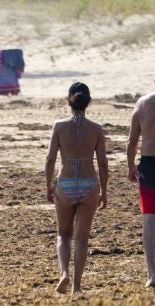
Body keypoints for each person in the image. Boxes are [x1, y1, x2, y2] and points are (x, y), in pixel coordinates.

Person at [45, 82, 109, 294]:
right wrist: (104, 191)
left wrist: (48, 186)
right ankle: (77, 286)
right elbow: (102, 163)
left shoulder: (59, 126)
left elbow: (50, 159)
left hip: (65, 184)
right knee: (82, 238)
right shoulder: (96, 129)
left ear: (69, 101)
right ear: (88, 102)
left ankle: (64, 273)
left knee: (63, 234)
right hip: (89, 184)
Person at [125, 65, 155, 288]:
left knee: (150, 221)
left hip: (150, 166)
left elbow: (132, 140)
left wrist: (130, 167)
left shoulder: (143, 103)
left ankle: (152, 275)